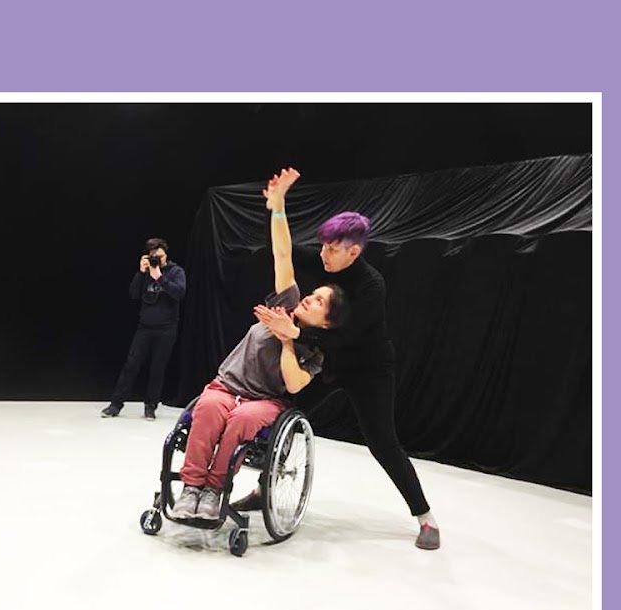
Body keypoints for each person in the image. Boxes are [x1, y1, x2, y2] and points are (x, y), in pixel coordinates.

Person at [239, 173, 443, 550]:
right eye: (323, 246)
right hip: (325, 359)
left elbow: (345, 337)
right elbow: (281, 251)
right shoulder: (324, 263)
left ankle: (426, 518)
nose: (323, 254)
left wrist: (293, 332)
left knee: (382, 442)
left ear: (354, 251)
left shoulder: (371, 286)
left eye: (332, 249)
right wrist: (277, 208)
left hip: (368, 369)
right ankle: (263, 488)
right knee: (285, 415)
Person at [171, 168, 347, 522]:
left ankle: (215, 489)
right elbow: (282, 255)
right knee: (209, 407)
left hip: (263, 402)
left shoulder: (315, 350)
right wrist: (278, 206)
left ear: (327, 321)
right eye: (313, 294)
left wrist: (286, 340)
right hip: (226, 386)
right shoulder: (287, 302)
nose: (309, 299)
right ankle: (191, 488)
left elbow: (294, 385)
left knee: (242, 418)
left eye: (318, 302)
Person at [103, 238, 186, 420]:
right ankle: (115, 404)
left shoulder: (176, 272)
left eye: (160, 256)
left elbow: (179, 293)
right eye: (153, 256)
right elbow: (133, 294)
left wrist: (160, 278)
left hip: (166, 329)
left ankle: (150, 407)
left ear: (166, 255)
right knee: (131, 365)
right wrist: (141, 273)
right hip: (145, 327)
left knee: (158, 368)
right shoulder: (146, 272)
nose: (156, 260)